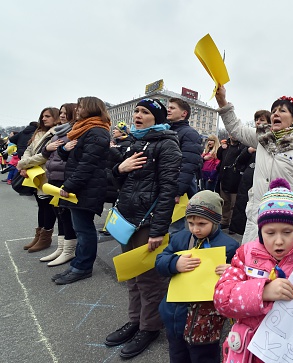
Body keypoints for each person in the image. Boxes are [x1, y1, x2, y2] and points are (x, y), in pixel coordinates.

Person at [214, 179, 293, 363]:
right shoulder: (245, 255)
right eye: (270, 232)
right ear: (260, 231)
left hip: (292, 353)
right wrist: (262, 292)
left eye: (287, 232)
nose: (279, 241)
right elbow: (222, 299)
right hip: (248, 353)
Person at [104, 98, 181, 359]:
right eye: (136, 110)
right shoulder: (135, 142)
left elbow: (168, 189)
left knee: (149, 281)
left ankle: (149, 328)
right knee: (133, 278)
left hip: (147, 224)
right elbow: (116, 180)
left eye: (145, 112)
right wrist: (119, 168)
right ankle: (135, 321)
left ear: (157, 118)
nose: (138, 115)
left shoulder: (167, 145)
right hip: (127, 220)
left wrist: (159, 230)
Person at [214, 86, 293, 245]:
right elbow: (236, 128)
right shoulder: (263, 138)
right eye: (274, 110)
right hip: (256, 216)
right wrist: (222, 101)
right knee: (251, 263)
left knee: (277, 268)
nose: (276, 113)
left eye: (282, 111)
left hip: (284, 221)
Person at [156, 190, 239, 363]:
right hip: (175, 313)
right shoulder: (180, 239)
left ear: (215, 221)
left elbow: (240, 276)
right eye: (191, 223)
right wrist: (174, 263)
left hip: (206, 320)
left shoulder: (229, 246)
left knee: (204, 356)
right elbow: (160, 261)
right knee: (177, 354)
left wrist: (231, 271)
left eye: (202, 223)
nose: (195, 229)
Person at [52, 97, 111, 284]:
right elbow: (71, 156)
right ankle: (77, 264)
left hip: (87, 188)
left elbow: (88, 164)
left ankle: (82, 268)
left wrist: (69, 185)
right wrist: (64, 148)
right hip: (82, 187)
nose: (77, 110)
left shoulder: (97, 131)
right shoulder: (83, 128)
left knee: (84, 230)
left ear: (91, 109)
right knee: (80, 228)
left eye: (81, 106)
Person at [39, 103, 78, 266]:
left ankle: (69, 250)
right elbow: (44, 153)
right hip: (53, 177)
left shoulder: (74, 132)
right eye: (60, 112)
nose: (62, 115)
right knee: (59, 214)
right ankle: (61, 247)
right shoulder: (58, 132)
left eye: (65, 113)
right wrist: (48, 148)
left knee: (66, 215)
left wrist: (62, 149)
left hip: (64, 178)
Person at [17, 107, 60, 252]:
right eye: (42, 116)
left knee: (47, 207)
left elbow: (45, 155)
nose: (43, 119)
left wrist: (24, 164)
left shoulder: (57, 132)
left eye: (47, 116)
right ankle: (39, 235)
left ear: (56, 117)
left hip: (47, 174)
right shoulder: (39, 132)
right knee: (41, 206)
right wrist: (25, 165)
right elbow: (28, 150)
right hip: (35, 174)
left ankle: (45, 237)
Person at [229, 110, 271, 235]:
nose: (258, 122)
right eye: (256, 120)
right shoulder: (249, 141)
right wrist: (248, 151)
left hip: (261, 186)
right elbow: (239, 162)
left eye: (262, 120)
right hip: (246, 183)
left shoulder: (271, 142)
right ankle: (236, 229)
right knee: (241, 208)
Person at [167, 98, 204, 233]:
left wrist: (178, 191)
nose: (168, 110)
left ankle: (177, 253)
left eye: (172, 108)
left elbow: (188, 166)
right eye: (168, 107)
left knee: (174, 228)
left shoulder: (190, 133)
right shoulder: (166, 130)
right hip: (166, 184)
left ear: (184, 113)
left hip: (178, 188)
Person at [216, 134, 245, 231]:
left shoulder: (242, 146)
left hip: (236, 180)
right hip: (224, 179)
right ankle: (224, 221)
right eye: (232, 134)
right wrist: (221, 148)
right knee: (225, 202)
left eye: (236, 134)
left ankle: (233, 224)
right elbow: (218, 156)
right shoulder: (225, 146)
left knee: (234, 204)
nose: (234, 136)